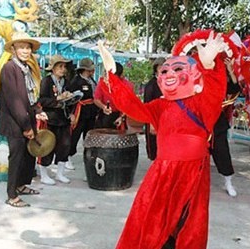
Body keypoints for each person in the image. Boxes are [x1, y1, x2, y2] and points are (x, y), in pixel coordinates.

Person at [98, 31, 227, 249]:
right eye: (165, 70)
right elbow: (134, 108)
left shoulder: (202, 102)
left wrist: (208, 64)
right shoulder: (160, 105)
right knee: (153, 222)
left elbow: (216, 89)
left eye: (178, 69)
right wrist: (112, 74)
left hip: (193, 172)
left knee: (187, 223)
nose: (169, 74)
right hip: (163, 172)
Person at [0, 31, 48, 207]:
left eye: (28, 47)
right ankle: (12, 194)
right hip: (15, 123)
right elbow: (14, 101)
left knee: (29, 156)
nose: (25, 51)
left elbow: (29, 97)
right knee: (17, 158)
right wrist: (26, 126)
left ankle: (21, 185)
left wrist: (37, 111)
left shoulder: (26, 69)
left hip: (26, 119)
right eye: (21, 47)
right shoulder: (9, 69)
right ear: (13, 49)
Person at [38, 54, 73, 185]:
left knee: (65, 145)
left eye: (64, 67)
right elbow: (42, 100)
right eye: (60, 66)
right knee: (47, 146)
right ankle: (44, 174)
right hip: (51, 119)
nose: (63, 69)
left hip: (64, 118)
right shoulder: (47, 81)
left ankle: (60, 173)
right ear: (52, 68)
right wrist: (57, 99)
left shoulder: (66, 82)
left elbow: (71, 100)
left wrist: (70, 102)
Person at [210, 57, 239, 197]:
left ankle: (228, 182)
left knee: (222, 153)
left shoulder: (220, 83)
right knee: (196, 157)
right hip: (199, 124)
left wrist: (230, 70)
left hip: (218, 123)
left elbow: (235, 88)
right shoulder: (196, 79)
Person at [66, 58, 98, 170]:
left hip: (91, 112)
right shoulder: (76, 82)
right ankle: (68, 156)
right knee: (75, 135)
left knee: (88, 136)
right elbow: (70, 98)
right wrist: (71, 113)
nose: (92, 72)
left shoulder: (92, 81)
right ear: (84, 70)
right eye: (90, 70)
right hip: (80, 111)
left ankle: (88, 156)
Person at [94, 62, 129, 129]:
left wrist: (122, 117)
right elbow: (96, 99)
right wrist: (104, 107)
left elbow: (129, 104)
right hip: (106, 114)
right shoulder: (102, 83)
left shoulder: (126, 85)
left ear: (120, 76)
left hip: (121, 114)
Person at [143, 58, 164, 160]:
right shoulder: (151, 85)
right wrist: (151, 123)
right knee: (153, 144)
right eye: (161, 68)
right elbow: (147, 105)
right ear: (156, 69)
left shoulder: (167, 82)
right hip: (153, 118)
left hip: (165, 118)